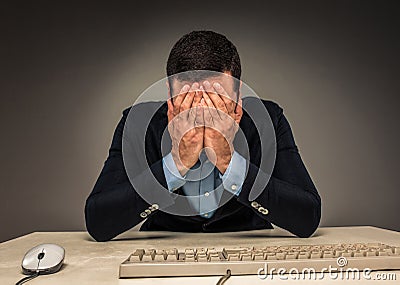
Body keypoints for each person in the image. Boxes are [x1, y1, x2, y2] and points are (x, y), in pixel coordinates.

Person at [85, 30, 321, 242]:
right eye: (188, 99)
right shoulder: (137, 123)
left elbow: (307, 217)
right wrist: (176, 163)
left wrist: (228, 162)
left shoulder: (267, 120)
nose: (202, 112)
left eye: (216, 98)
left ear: (238, 96)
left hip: (249, 246)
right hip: (164, 252)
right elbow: (98, 221)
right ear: (169, 95)